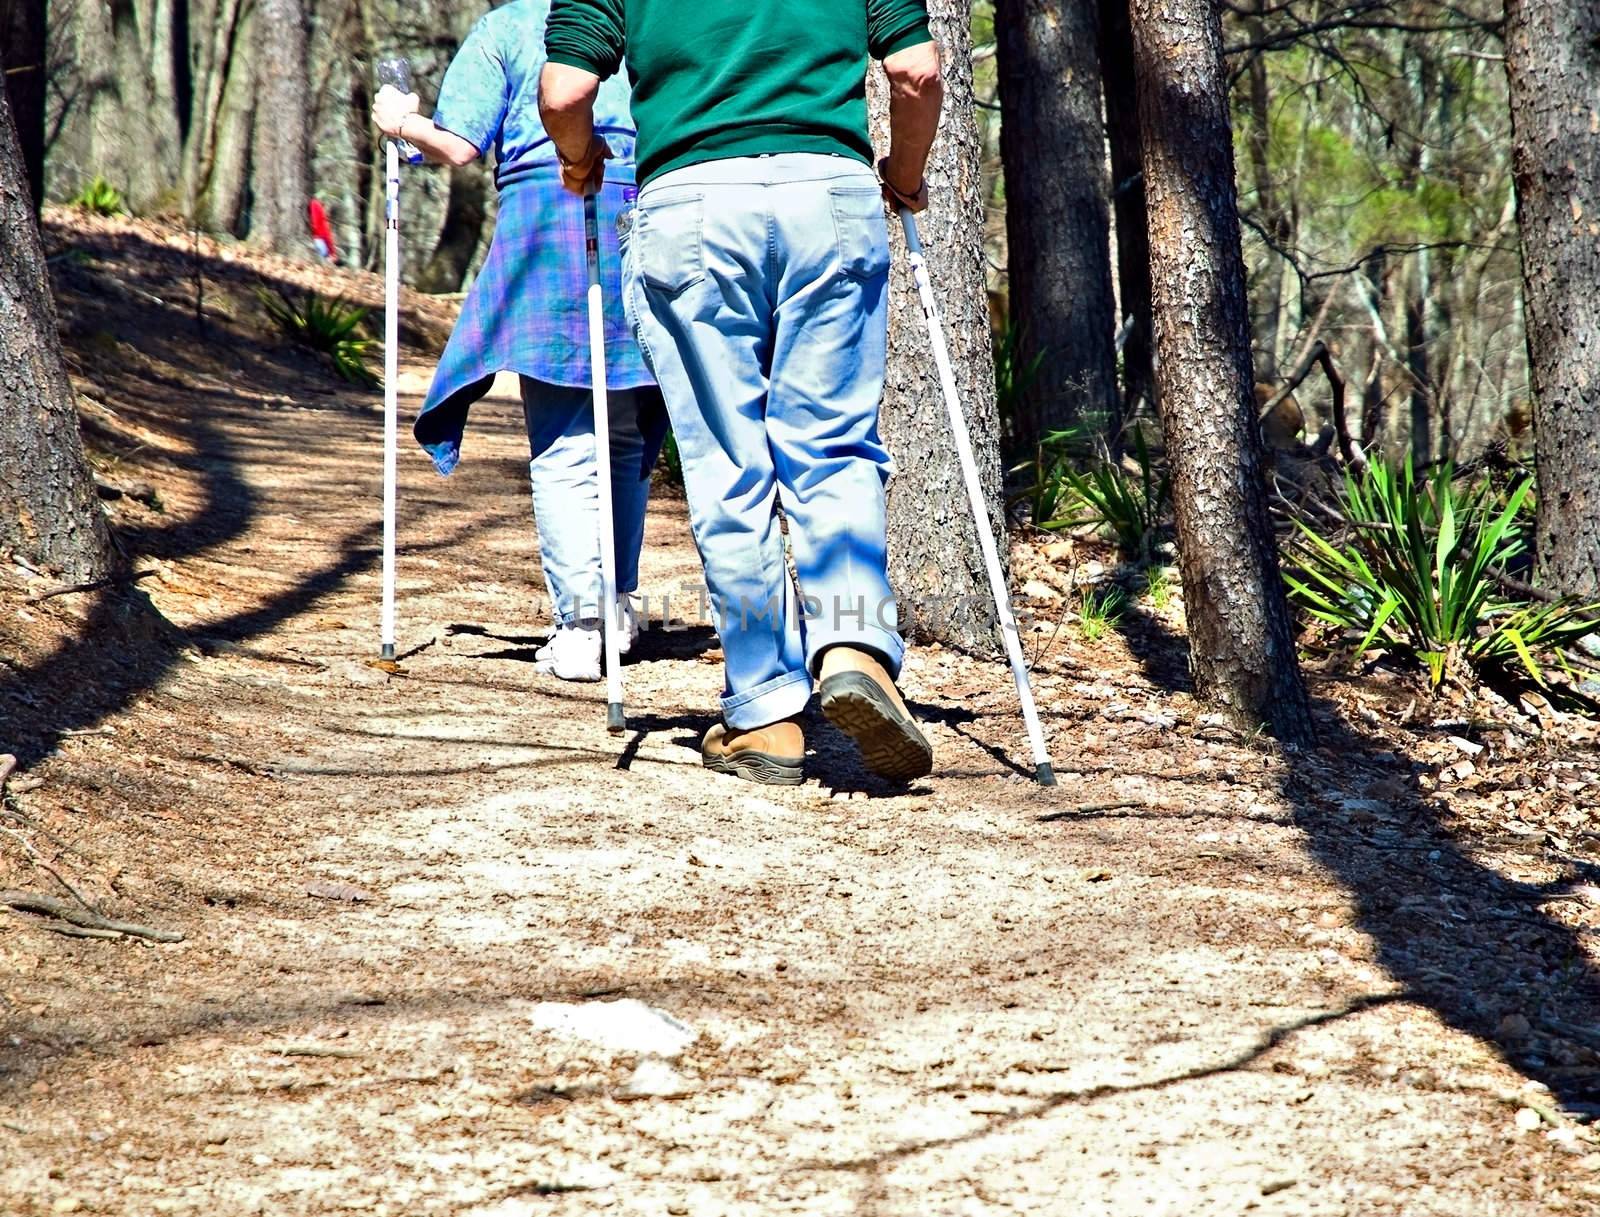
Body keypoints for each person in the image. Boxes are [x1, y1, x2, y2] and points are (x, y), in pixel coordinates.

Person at [539, 0, 944, 784]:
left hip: (691, 202)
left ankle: (765, 714)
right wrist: (904, 174)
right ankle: (854, 645)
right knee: (832, 445)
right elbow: (916, 68)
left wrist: (580, 157)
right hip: (828, 192)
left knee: (731, 463)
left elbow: (563, 93)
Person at [371, 0, 666, 681]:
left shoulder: (509, 25)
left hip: (548, 213)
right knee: (620, 428)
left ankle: (582, 627)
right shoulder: (645, 14)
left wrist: (401, 123)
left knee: (567, 441)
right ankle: (614, 607)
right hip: (644, 214)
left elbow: (459, 145)